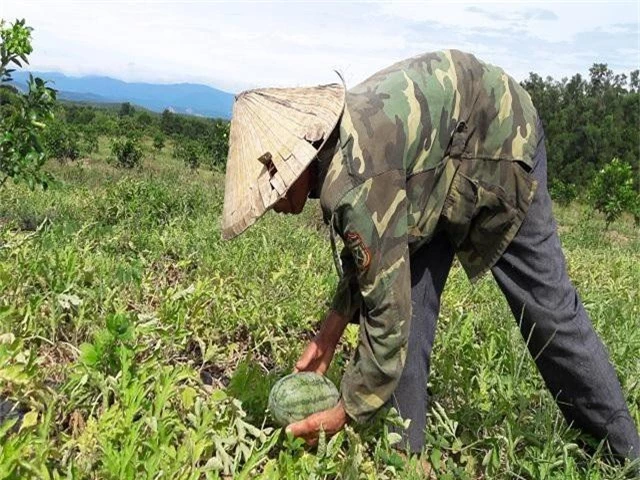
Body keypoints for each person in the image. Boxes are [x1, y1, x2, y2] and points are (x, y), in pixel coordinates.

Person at [222, 50, 639, 464]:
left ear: (297, 160)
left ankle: (625, 454)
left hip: (498, 138)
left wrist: (345, 411)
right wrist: (326, 336)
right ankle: (406, 454)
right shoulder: (340, 149)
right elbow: (371, 258)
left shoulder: (356, 176)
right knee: (412, 298)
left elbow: (385, 313)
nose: (271, 204)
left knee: (548, 311)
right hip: (437, 168)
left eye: (271, 190)